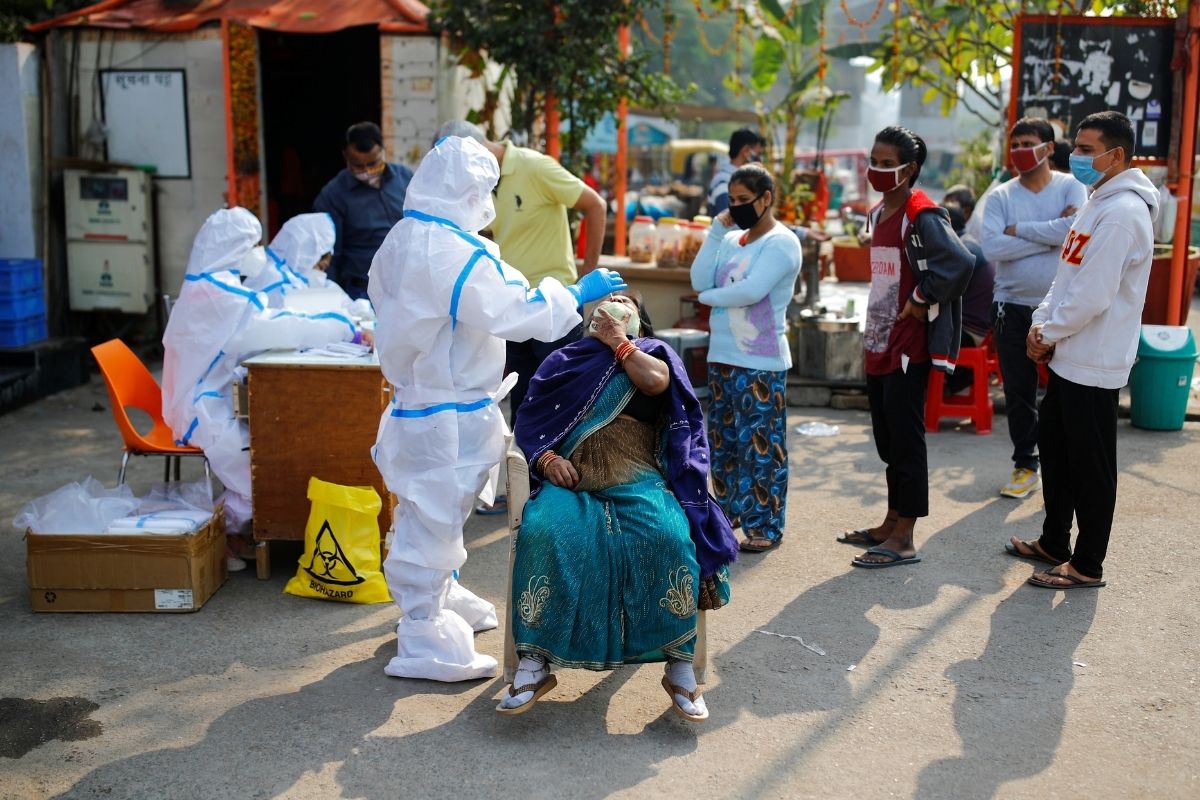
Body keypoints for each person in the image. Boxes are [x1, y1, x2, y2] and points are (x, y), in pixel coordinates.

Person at [369, 136, 626, 682]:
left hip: (433, 402)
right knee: (432, 514)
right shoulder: (449, 250)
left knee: (438, 509)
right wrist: (575, 292)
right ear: (466, 190)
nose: (487, 199)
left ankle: (441, 591)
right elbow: (516, 310)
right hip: (445, 410)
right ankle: (421, 626)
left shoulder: (405, 238)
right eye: (484, 189)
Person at [499, 295, 738, 721]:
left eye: (623, 301)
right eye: (606, 302)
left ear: (639, 324)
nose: (612, 303)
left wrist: (620, 344)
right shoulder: (563, 361)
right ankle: (535, 664)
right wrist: (547, 459)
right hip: (573, 477)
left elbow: (655, 385)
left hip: (638, 474)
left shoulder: (653, 353)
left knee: (667, 536)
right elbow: (531, 422)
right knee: (545, 532)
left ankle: (679, 666)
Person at [163, 207, 362, 569]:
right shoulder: (216, 295)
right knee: (261, 474)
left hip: (214, 397)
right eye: (253, 244)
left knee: (269, 455)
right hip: (203, 408)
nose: (261, 251)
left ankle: (234, 535)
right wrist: (340, 326)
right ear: (232, 247)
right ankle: (218, 540)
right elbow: (274, 326)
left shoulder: (212, 286)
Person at [1011, 110, 1159, 590]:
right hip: (1068, 352)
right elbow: (1066, 276)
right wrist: (1041, 325)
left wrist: (1047, 334)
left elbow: (1093, 295)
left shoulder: (1122, 213)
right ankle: (1055, 541)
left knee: (1091, 467)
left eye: (1087, 149)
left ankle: (1087, 563)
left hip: (1095, 360)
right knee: (1056, 453)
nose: (1074, 156)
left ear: (1117, 155)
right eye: (1075, 147)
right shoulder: (1097, 202)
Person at [838, 126, 974, 568]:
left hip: (907, 345)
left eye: (884, 162)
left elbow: (959, 263)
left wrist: (919, 301)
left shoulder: (923, 214)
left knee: (906, 438)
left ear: (909, 168)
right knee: (886, 437)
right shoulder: (880, 212)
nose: (875, 169)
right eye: (872, 160)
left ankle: (905, 537)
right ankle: (891, 520)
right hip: (879, 337)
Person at [434, 121, 608, 426]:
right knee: (523, 403)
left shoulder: (535, 167)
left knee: (562, 401)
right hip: (512, 305)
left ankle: (561, 473)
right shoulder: (480, 183)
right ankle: (524, 472)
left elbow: (595, 205)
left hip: (556, 303)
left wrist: (587, 275)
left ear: (477, 150)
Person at [690, 163, 802, 553]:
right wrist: (716, 230)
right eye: (731, 201)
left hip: (761, 362)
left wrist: (707, 300)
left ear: (766, 198)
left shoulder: (782, 243)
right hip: (722, 356)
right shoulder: (732, 239)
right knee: (724, 444)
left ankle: (765, 525)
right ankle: (728, 514)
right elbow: (698, 277)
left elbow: (751, 291)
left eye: (743, 200)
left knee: (761, 445)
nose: (736, 207)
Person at [980, 117, 1087, 500]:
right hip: (1012, 307)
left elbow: (1076, 232)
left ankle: (1065, 465)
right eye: (1015, 144)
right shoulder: (1001, 197)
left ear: (1047, 147)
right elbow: (991, 248)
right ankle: (1026, 464)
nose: (1020, 151)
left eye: (1028, 142)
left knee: (1066, 388)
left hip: (1064, 308)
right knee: (1020, 391)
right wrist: (1051, 233)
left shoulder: (1072, 185)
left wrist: (1020, 229)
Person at [313, 122, 413, 300]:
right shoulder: (333, 196)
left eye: (374, 164)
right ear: (345, 157)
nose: (367, 172)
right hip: (364, 291)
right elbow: (331, 255)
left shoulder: (405, 178)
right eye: (358, 166)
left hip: (410, 285)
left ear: (383, 150)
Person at [941, 200, 995, 395]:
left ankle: (937, 386)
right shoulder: (967, 242)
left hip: (970, 332)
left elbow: (941, 292)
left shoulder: (964, 250)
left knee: (913, 333)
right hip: (976, 327)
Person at [707, 127, 766, 215]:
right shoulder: (724, 182)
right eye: (758, 154)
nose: (760, 159)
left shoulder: (735, 179)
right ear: (746, 151)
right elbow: (729, 222)